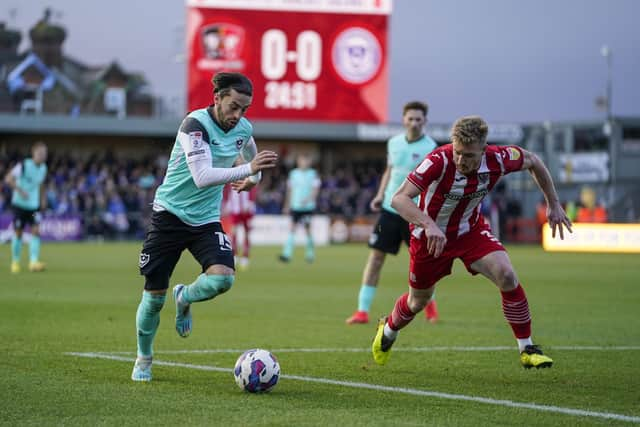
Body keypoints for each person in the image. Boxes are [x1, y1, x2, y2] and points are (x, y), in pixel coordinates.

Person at [371, 116, 572, 369]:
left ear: (483, 149)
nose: (460, 160)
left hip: (470, 232)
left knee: (506, 274)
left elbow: (533, 160)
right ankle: (388, 329)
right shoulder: (438, 160)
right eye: (457, 152)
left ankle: (527, 348)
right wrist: (429, 225)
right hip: (430, 238)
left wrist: (553, 204)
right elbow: (399, 199)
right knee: (418, 301)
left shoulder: (498, 158)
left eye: (468, 155)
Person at [131, 72, 278, 381]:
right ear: (217, 99)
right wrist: (247, 169)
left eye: (244, 109)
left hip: (206, 219)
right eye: (233, 106)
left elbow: (254, 162)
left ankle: (184, 297)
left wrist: (252, 179)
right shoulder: (194, 125)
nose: (238, 115)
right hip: (169, 216)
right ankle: (144, 357)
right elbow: (201, 176)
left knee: (223, 279)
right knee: (154, 297)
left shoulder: (243, 128)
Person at [346, 101, 440, 325]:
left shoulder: (431, 147)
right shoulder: (394, 143)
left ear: (425, 121)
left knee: (421, 262)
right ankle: (362, 311)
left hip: (415, 212)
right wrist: (380, 195)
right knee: (376, 258)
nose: (414, 123)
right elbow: (390, 170)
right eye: (411, 118)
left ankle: (430, 310)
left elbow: (434, 182)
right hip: (389, 208)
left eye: (419, 119)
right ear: (404, 119)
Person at [5, 141, 48, 273]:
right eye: (40, 153)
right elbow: (8, 179)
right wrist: (20, 190)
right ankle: (15, 261)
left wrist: (42, 199)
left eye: (44, 153)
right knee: (18, 233)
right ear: (33, 153)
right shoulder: (24, 165)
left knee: (36, 230)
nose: (42, 156)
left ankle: (33, 262)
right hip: (20, 206)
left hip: (34, 207)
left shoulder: (43, 168)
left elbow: (41, 185)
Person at [279, 153, 320, 263]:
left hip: (307, 207)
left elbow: (315, 190)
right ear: (298, 162)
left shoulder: (313, 174)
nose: (303, 163)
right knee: (292, 229)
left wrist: (309, 199)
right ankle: (286, 254)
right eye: (301, 161)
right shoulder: (293, 174)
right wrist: (287, 205)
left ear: (309, 162)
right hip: (295, 206)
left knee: (308, 230)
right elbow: (290, 190)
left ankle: (310, 254)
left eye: (305, 161)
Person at [223, 182, 257, 270]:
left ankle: (245, 256)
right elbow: (227, 191)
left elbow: (253, 189)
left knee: (247, 233)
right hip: (235, 208)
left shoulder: (247, 175)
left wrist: (251, 202)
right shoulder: (231, 176)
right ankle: (235, 254)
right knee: (233, 232)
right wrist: (226, 204)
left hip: (247, 209)